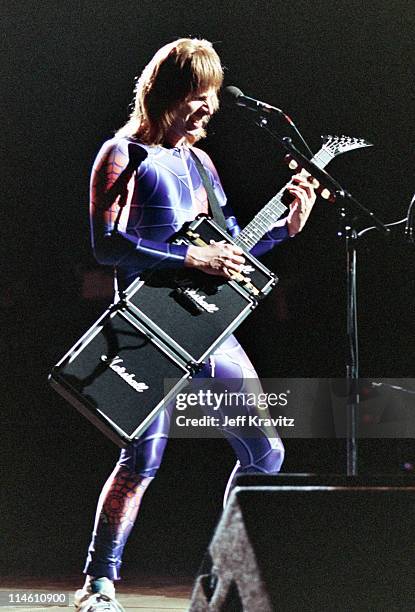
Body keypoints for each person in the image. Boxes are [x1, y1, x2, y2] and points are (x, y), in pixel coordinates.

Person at [74, 38, 316, 611]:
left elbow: (229, 246)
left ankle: (219, 573)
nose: (208, 106)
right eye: (197, 94)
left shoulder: (200, 162)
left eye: (211, 95)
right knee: (142, 461)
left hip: (210, 328)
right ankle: (98, 583)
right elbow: (105, 246)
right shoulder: (120, 154)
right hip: (148, 329)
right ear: (165, 93)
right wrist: (188, 259)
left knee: (267, 452)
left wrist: (286, 226)